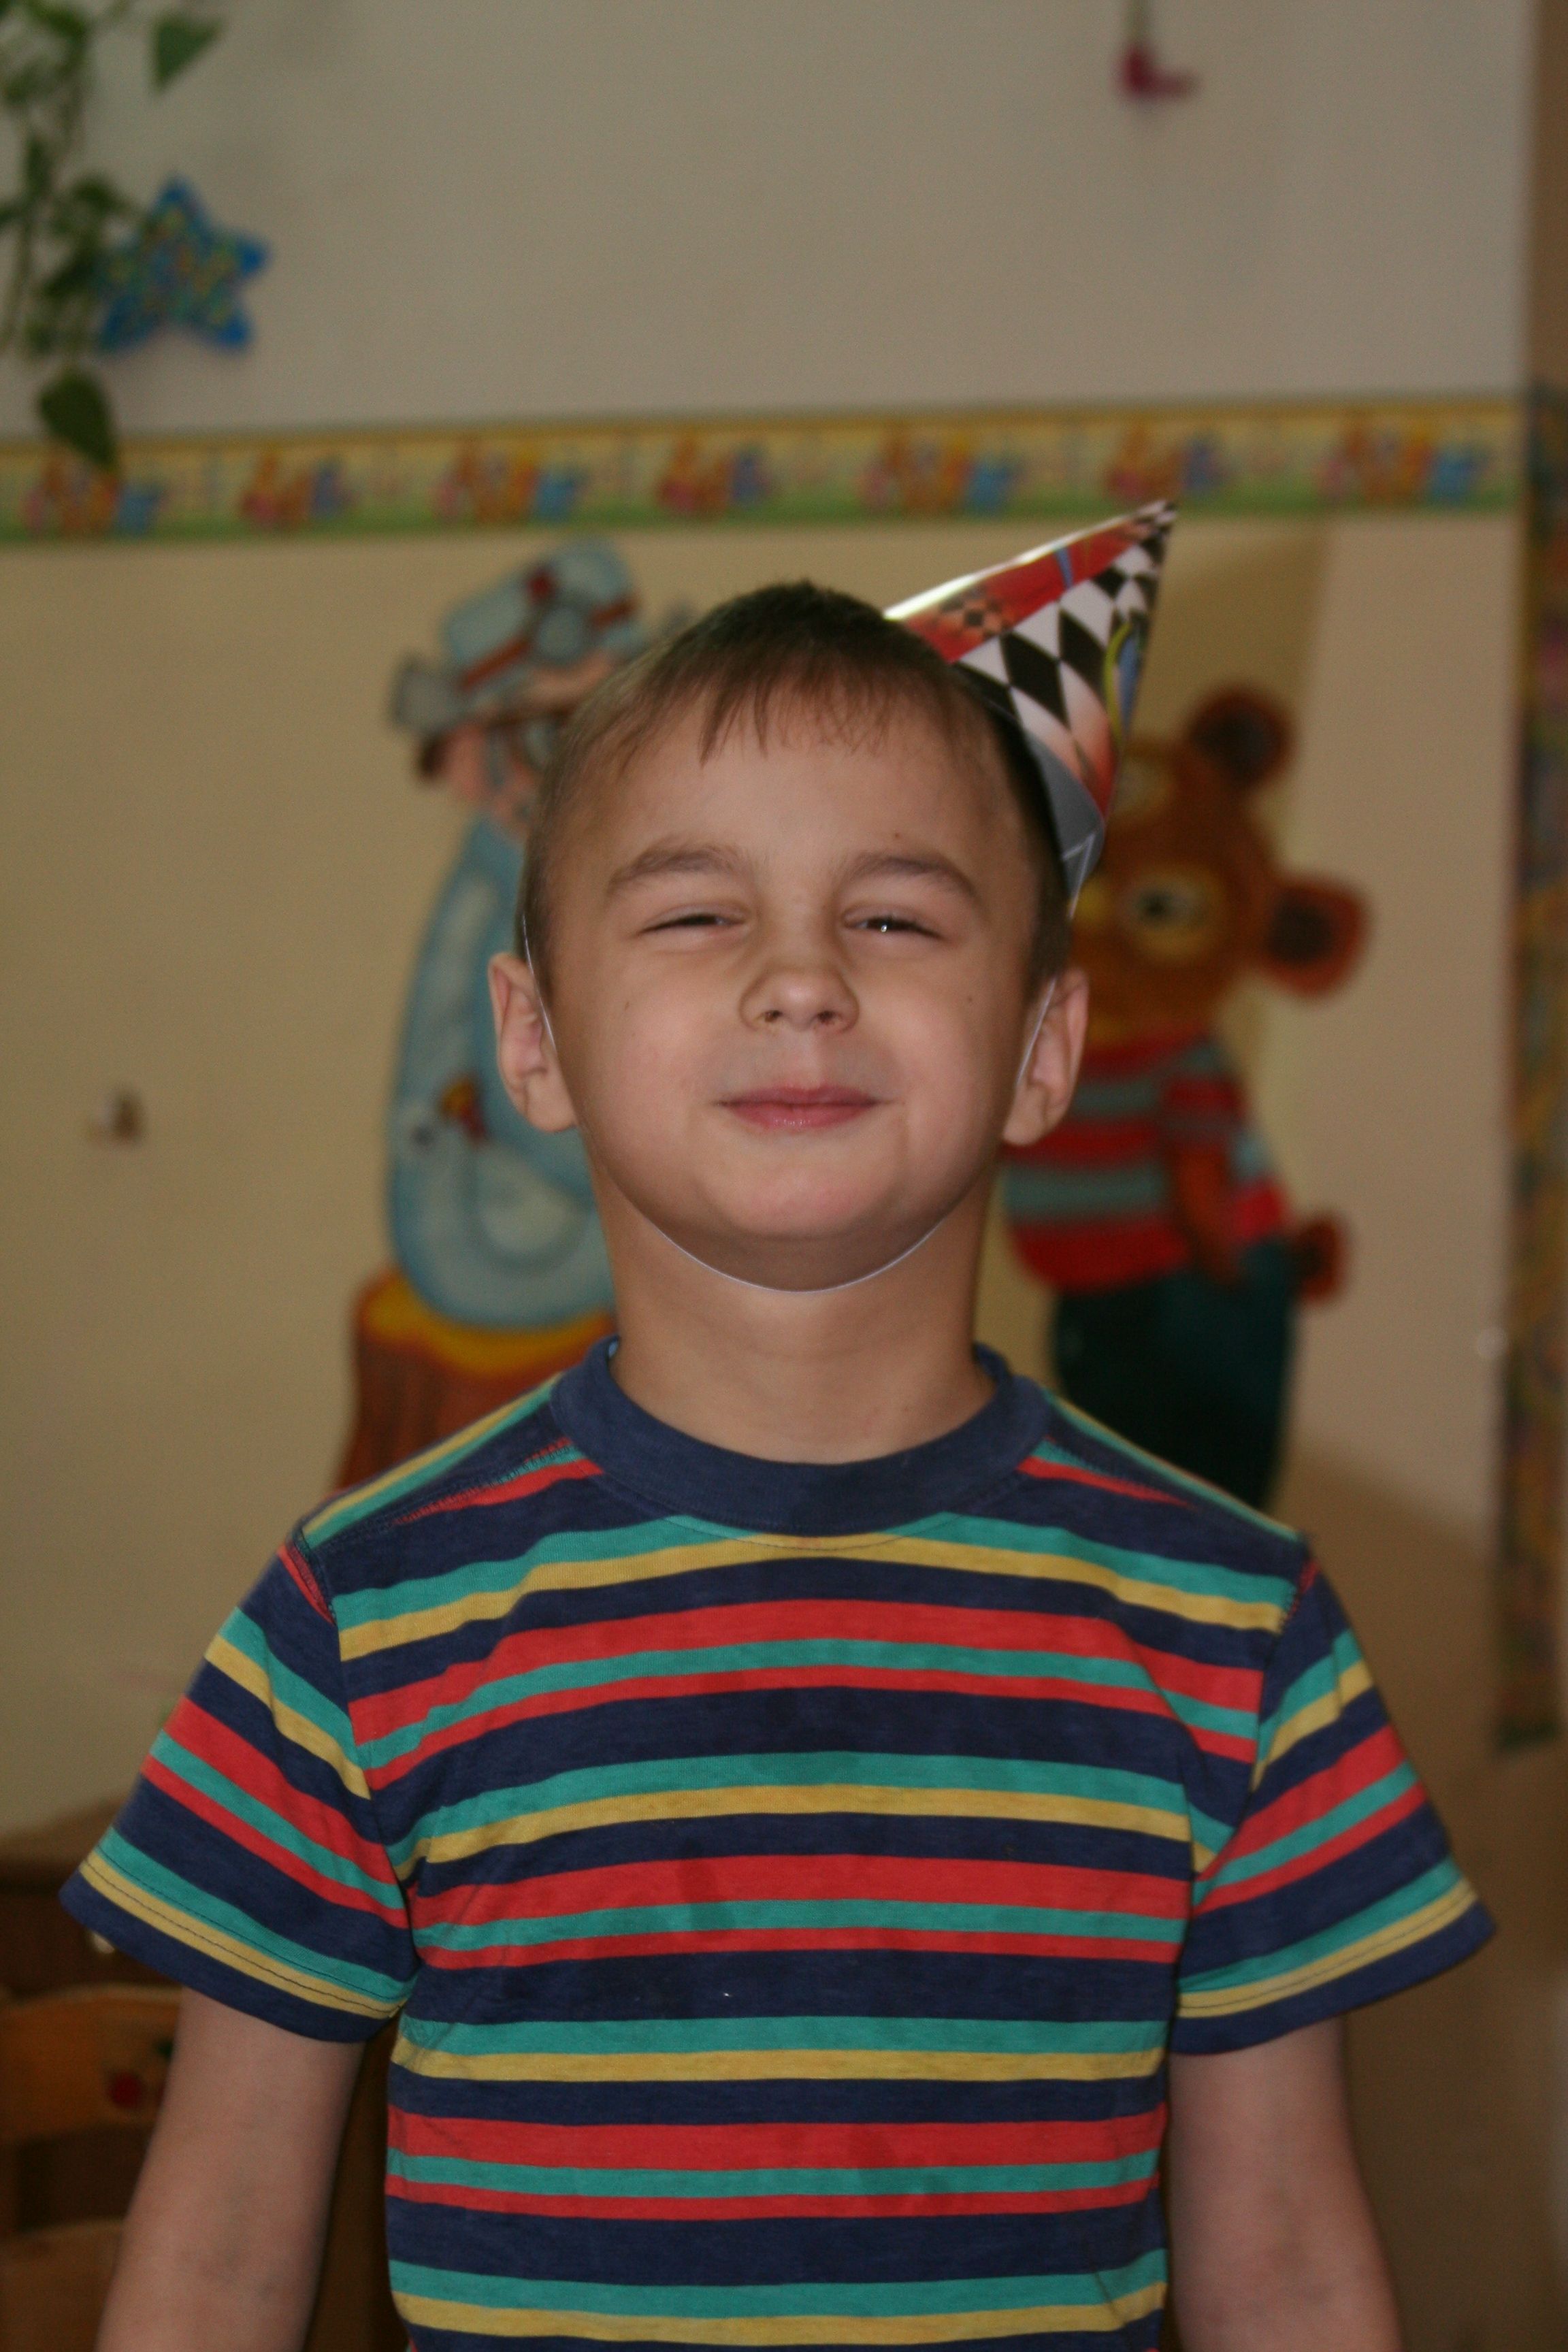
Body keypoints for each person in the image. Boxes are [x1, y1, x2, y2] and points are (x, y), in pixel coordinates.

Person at [69, 512, 1488, 2352]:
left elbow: (1287, 2270)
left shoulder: (1238, 1632)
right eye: (696, 912)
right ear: (534, 1037)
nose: (800, 975)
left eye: (894, 916)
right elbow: (216, 2263)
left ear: (1045, 1045)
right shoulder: (354, 1623)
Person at [338, 546, 647, 1483]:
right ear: (483, 756)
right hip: (497, 1225)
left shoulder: (572, 874)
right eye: (559, 734)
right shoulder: (516, 886)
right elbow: (524, 1103)